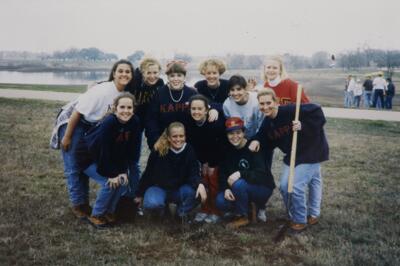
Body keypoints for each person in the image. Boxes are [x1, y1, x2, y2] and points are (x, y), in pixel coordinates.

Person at [55, 59, 134, 219]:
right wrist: (67, 136)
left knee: (86, 162)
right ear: (114, 73)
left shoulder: (122, 94)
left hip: (91, 126)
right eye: (121, 71)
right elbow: (77, 112)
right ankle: (79, 204)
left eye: (128, 71)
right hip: (74, 122)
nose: (124, 74)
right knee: (74, 165)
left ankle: (85, 203)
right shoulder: (103, 90)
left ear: (132, 75)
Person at [249, 89, 329, 234]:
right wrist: (255, 141)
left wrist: (303, 126)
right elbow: (262, 135)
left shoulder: (291, 110)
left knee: (295, 186)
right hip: (293, 153)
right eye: (262, 104)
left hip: (312, 150)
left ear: (276, 102)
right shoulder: (268, 120)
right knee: (287, 185)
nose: (265, 107)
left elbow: (317, 111)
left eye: (269, 103)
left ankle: (299, 220)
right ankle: (308, 213)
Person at [76, 93, 140, 228]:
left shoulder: (134, 122)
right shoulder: (109, 122)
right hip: (88, 157)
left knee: (122, 182)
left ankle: (109, 212)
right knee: (109, 183)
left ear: (133, 109)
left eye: (129, 107)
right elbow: (102, 151)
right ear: (115, 108)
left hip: (108, 158)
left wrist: (122, 171)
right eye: (122, 107)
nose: (126, 111)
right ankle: (96, 215)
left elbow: (127, 151)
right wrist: (111, 174)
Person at [134, 122, 207, 220]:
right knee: (152, 203)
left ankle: (181, 214)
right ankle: (162, 211)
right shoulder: (159, 150)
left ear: (185, 136)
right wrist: (139, 194)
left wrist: (200, 184)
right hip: (160, 188)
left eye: (181, 136)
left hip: (179, 190)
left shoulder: (189, 150)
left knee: (197, 193)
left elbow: (194, 173)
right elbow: (148, 173)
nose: (178, 139)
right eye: (175, 136)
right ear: (168, 137)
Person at [216, 117, 275, 229]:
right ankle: (249, 208)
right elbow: (222, 173)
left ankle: (242, 216)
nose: (235, 137)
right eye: (230, 134)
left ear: (244, 132)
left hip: (262, 188)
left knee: (239, 184)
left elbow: (262, 175)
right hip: (241, 188)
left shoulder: (253, 147)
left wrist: (240, 174)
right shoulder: (227, 149)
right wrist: (225, 188)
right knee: (220, 201)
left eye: (238, 132)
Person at [124, 57, 164, 200]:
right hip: (130, 121)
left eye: (155, 72)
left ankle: (136, 192)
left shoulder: (160, 83)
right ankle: (124, 193)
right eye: (149, 73)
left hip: (148, 122)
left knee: (139, 158)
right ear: (142, 72)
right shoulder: (134, 81)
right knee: (127, 157)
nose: (152, 76)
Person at [185, 94, 227, 224]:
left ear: (206, 110)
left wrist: (212, 164)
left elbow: (219, 146)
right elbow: (194, 145)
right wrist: (202, 162)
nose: (196, 112)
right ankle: (204, 209)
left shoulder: (214, 123)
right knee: (203, 182)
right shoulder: (189, 123)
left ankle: (215, 210)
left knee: (213, 182)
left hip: (216, 158)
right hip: (201, 159)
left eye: (200, 109)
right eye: (193, 109)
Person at [223, 75, 264, 140]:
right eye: (232, 90)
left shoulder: (256, 100)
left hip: (258, 137)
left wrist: (257, 140)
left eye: (239, 89)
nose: (235, 93)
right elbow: (230, 125)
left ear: (245, 89)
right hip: (239, 139)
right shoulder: (227, 105)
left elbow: (262, 124)